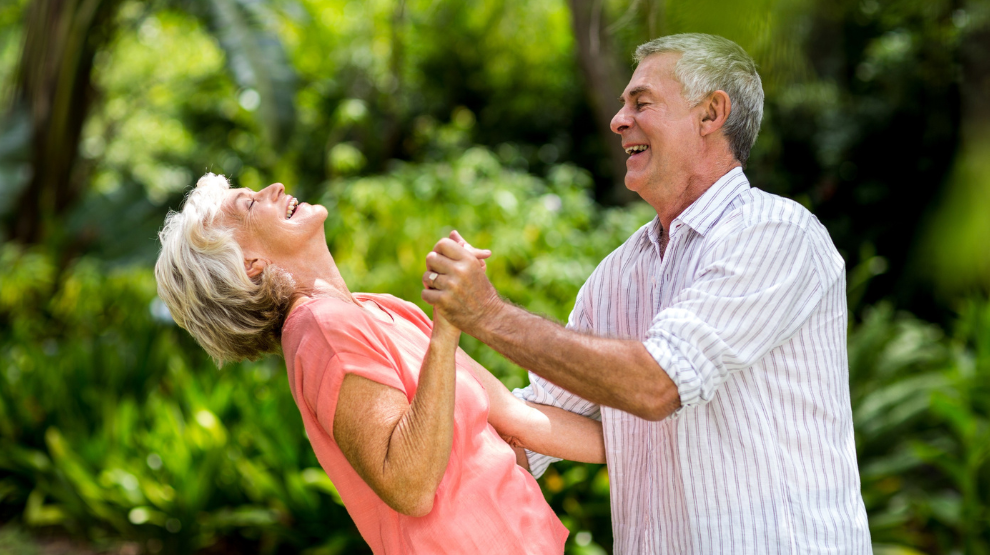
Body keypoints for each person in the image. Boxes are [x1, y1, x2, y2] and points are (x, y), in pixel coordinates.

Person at [423, 33, 872, 553]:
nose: (619, 121)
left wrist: (488, 314)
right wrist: (399, 368)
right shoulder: (614, 277)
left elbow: (657, 384)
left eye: (641, 103)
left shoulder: (776, 234)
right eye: (621, 107)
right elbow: (528, 428)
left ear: (710, 115)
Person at [154, 173, 606, 554]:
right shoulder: (320, 328)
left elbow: (516, 418)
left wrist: (651, 438)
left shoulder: (381, 308)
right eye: (250, 205)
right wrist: (447, 329)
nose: (273, 187)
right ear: (249, 263)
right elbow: (409, 486)